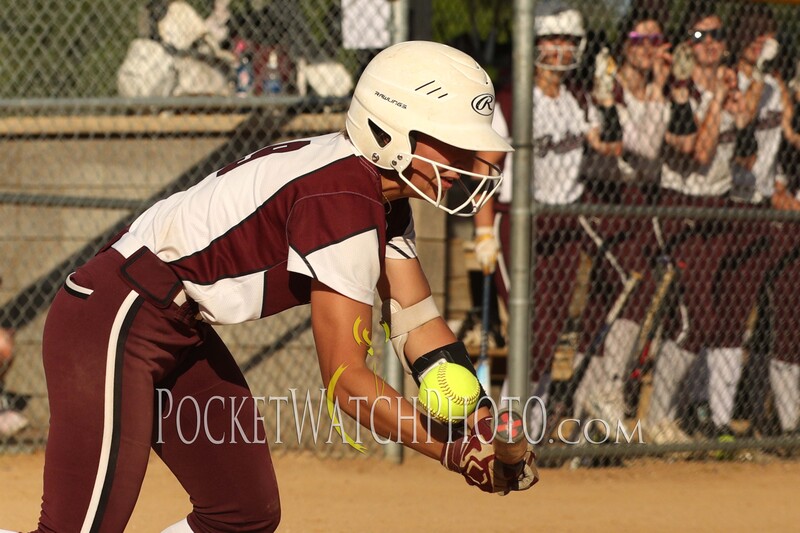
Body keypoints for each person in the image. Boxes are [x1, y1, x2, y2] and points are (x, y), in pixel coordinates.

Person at [13, 41, 536, 533]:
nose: (470, 161)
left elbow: (417, 321)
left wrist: (480, 425)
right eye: (453, 141)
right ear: (390, 131)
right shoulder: (340, 196)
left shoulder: (378, 194)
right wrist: (452, 450)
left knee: (243, 513)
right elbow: (347, 383)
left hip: (173, 322)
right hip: (115, 314)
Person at [474, 0, 623, 439]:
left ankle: (528, 431)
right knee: (529, 328)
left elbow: (609, 147)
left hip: (564, 223)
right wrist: (483, 231)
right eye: (552, 40)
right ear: (534, 44)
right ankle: (507, 431)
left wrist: (609, 101)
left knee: (550, 328)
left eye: (569, 41)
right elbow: (487, 165)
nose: (560, 50)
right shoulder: (512, 97)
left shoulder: (579, 99)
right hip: (515, 222)